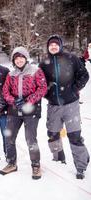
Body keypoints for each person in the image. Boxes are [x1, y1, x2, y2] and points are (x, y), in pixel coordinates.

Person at [39, 35, 90, 179]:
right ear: (48, 47)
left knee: (74, 136)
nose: (53, 47)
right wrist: (47, 94)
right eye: (51, 45)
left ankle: (81, 166)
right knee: (53, 134)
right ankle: (59, 158)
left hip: (71, 104)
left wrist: (75, 89)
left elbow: (84, 75)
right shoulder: (44, 63)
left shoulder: (71, 58)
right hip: (54, 106)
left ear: (60, 45)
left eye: (56, 44)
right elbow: (39, 83)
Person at [0, 46, 47, 180]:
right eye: (16, 58)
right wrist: (14, 101)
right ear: (13, 61)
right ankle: (11, 163)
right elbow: (5, 91)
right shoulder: (10, 74)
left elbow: (42, 88)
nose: (19, 60)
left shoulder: (35, 70)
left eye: (21, 57)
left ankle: (36, 165)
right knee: (9, 137)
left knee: (30, 139)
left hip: (31, 109)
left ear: (25, 58)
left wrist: (28, 100)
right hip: (14, 110)